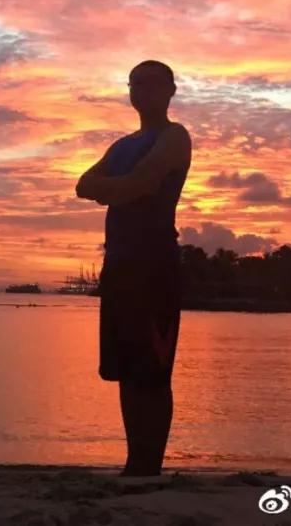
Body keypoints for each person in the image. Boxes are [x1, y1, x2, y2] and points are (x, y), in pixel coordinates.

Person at [75, 60, 192, 476]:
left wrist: (112, 188)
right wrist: (118, 189)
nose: (141, 90)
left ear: (170, 90)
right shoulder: (122, 144)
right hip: (119, 264)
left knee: (153, 369)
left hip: (154, 264)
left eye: (150, 83)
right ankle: (134, 463)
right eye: (134, 83)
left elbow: (140, 183)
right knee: (126, 368)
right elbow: (83, 184)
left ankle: (149, 466)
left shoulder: (174, 136)